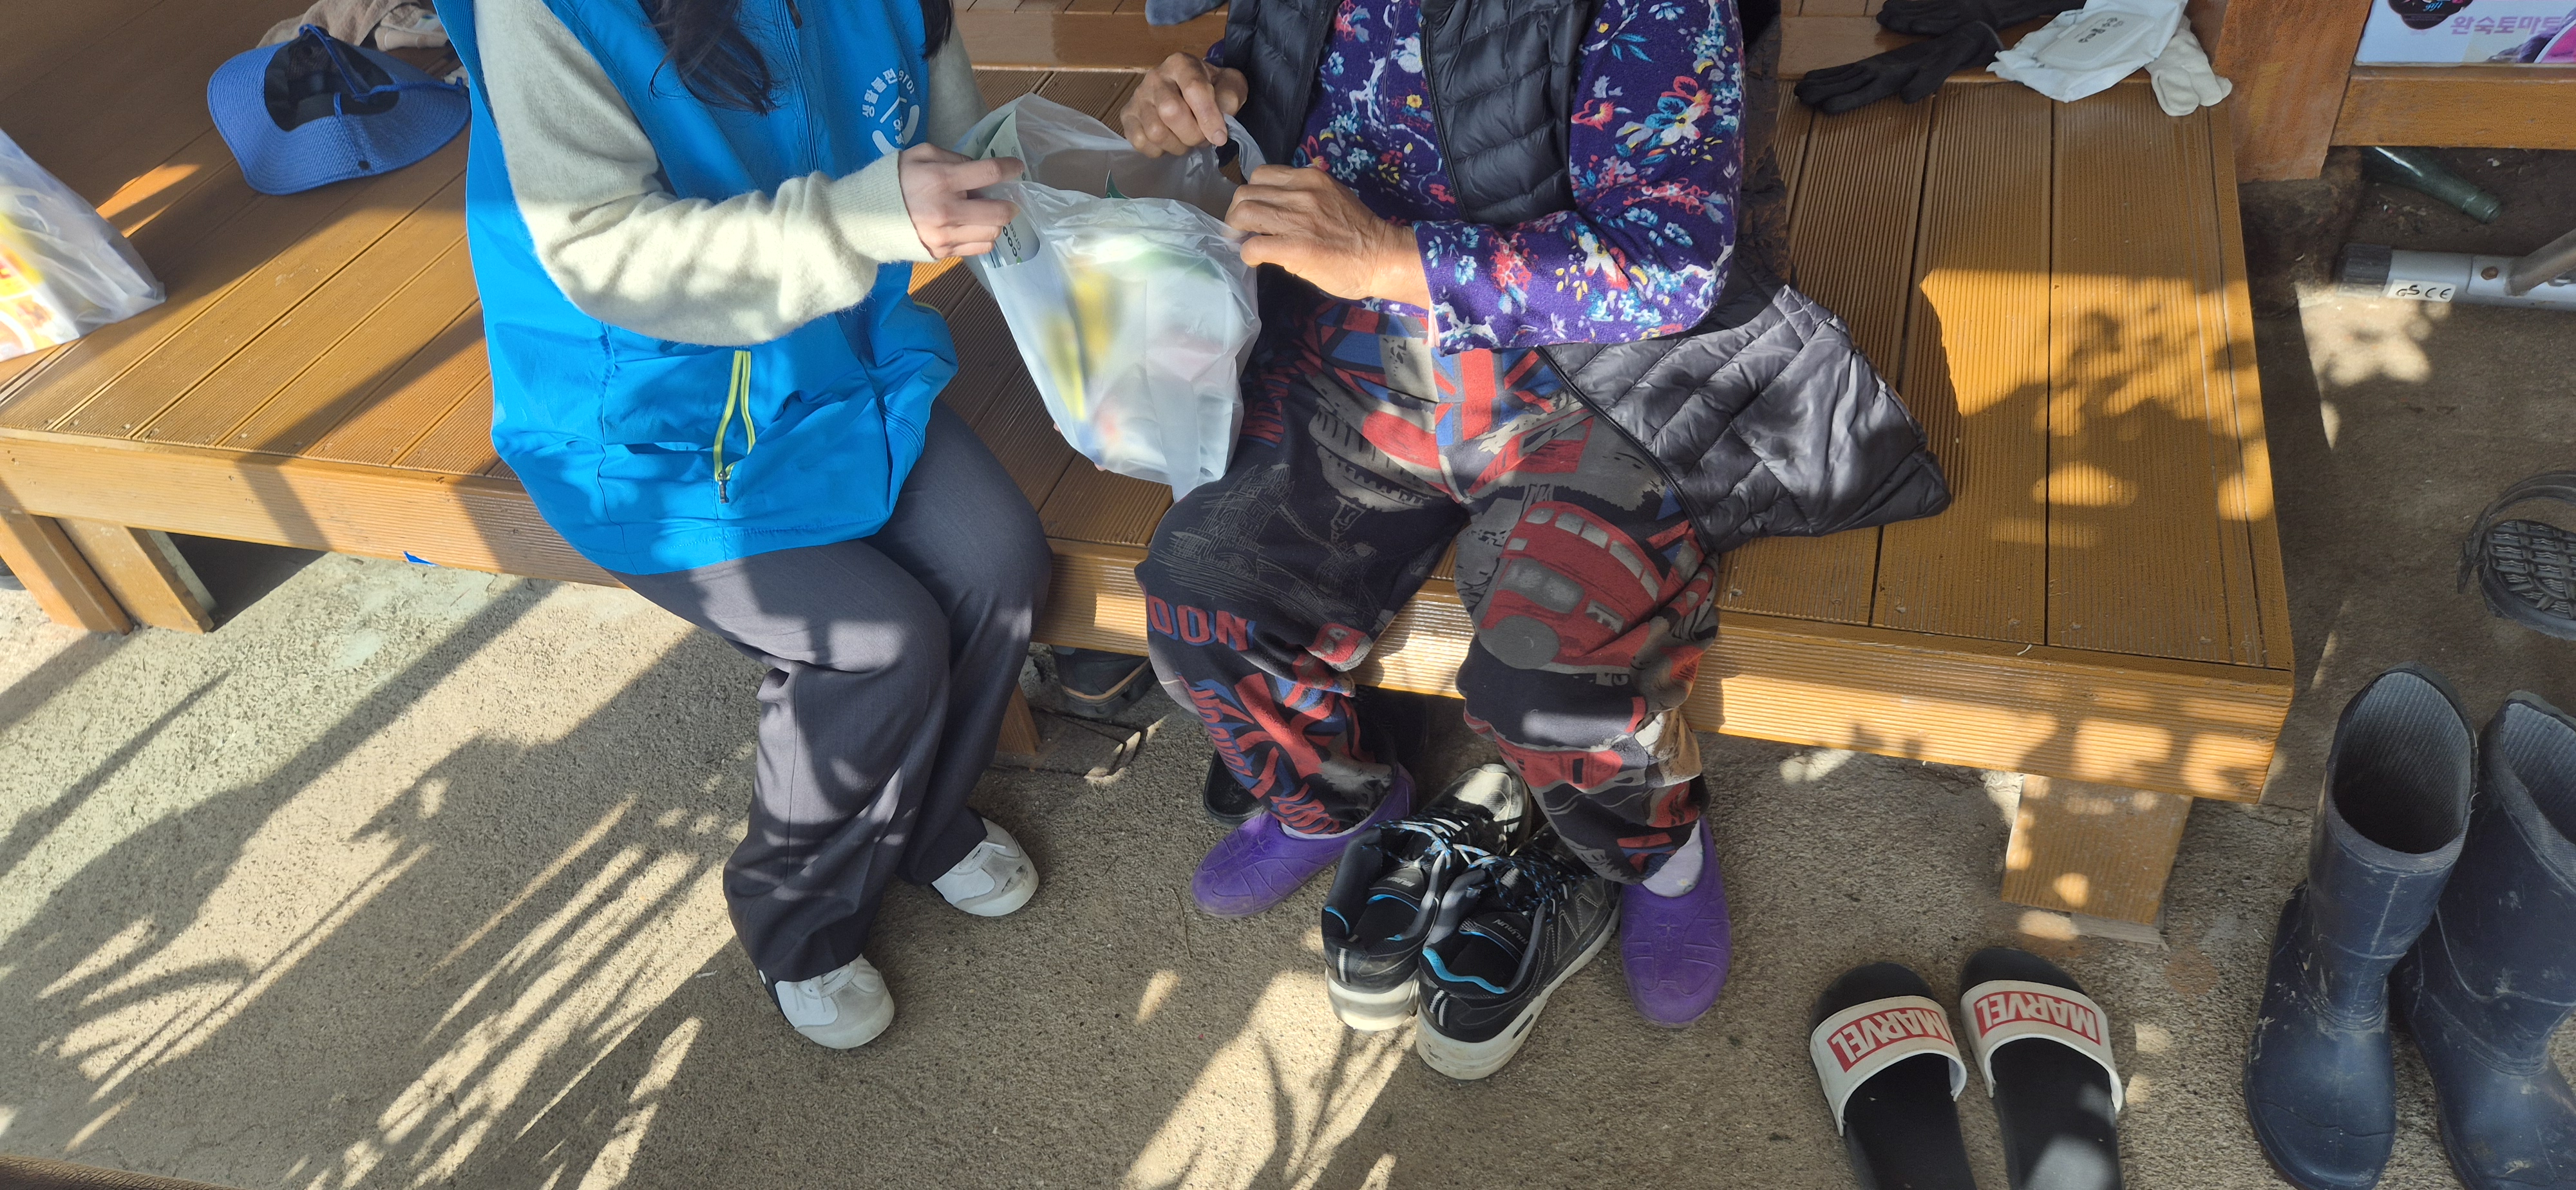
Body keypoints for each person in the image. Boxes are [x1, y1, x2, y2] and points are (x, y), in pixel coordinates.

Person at [1122, 0, 1951, 1035]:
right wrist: (1207, 105)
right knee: (1201, 594)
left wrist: (1388, 257)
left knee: (1550, 672)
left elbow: (1675, 263)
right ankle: (1329, 799)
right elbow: (1301, 83)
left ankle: (1660, 853)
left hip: (1591, 381)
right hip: (1354, 354)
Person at [442, 0, 1048, 1050]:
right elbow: (602, 250)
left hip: (840, 360)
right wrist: (863, 222)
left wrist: (1102, 177)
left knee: (999, 562)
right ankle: (796, 925)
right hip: (643, 425)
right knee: (875, 643)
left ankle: (923, 822)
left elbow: (962, 147)